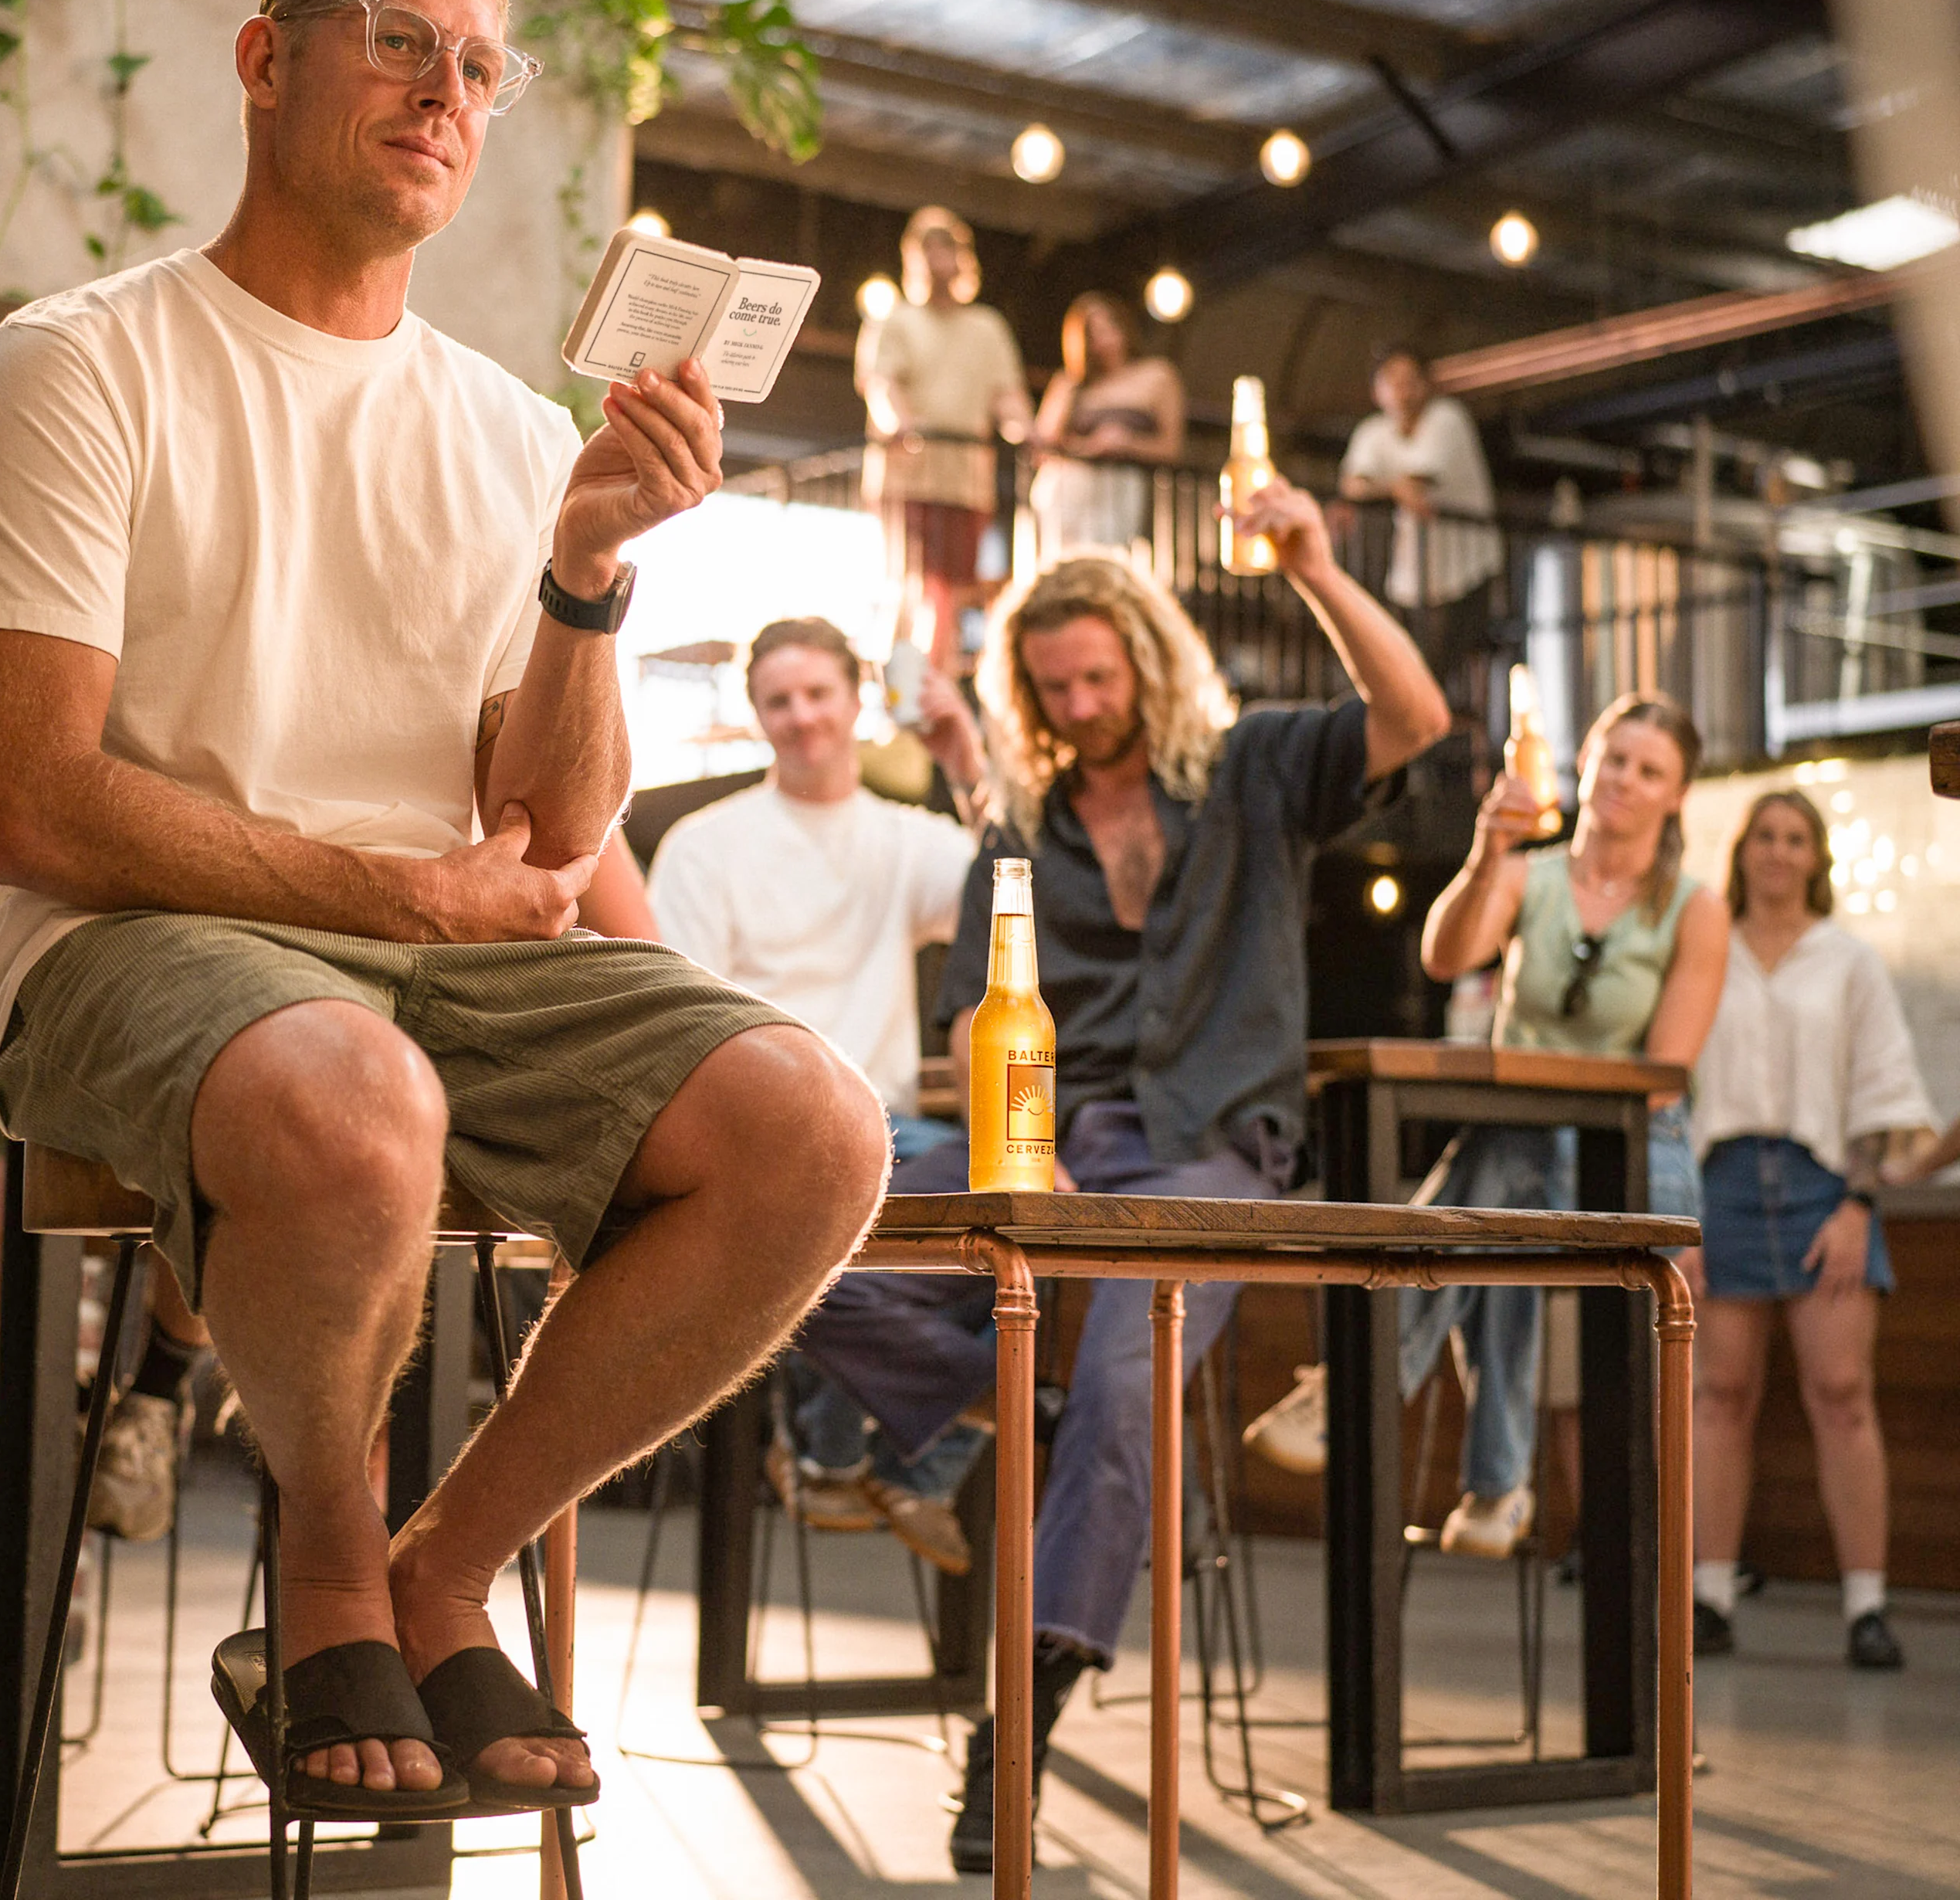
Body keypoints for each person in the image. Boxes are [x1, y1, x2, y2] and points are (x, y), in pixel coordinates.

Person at [0, 0, 883, 1820]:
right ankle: (333, 1566)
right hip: (128, 931)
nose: (446, 95)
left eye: (478, 68)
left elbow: (548, 824)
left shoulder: (512, 429)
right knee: (360, 1098)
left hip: (433, 951)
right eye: (397, 44)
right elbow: (28, 803)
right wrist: (399, 897)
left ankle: (450, 1562)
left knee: (813, 1128)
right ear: (267, 62)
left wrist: (589, 569)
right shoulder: (77, 363)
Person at [933, 522, 1450, 1872]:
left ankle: (1016, 1725)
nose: (1080, 709)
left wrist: (1313, 567)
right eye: (1053, 689)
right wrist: (1019, 1144)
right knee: (825, 1223)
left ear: (1150, 662)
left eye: (1099, 679)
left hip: (1208, 1146)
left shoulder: (1257, 770)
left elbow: (1416, 713)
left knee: (1118, 1390)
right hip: (1054, 1136)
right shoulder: (1022, 824)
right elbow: (961, 1022)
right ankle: (955, 1433)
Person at [647, 616, 986, 1571]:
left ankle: (854, 1453)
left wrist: (966, 757)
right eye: (779, 701)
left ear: (855, 698)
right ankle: (963, 1416)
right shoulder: (707, 847)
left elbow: (1017, 891)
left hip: (898, 1133)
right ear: (757, 715)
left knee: (1014, 1196)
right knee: (825, 1219)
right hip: (764, 1130)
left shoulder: (903, 840)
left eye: (817, 695)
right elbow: (681, 1023)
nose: (801, 718)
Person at [1397, 694, 1724, 1558]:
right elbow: (1443, 956)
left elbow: (1663, 1077)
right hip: (1517, 1146)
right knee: (1507, 1189)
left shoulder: (1694, 908)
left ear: (1677, 794)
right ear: (1584, 761)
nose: (1626, 780)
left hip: (1635, 1153)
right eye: (1615, 759)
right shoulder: (1527, 874)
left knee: (1499, 1184)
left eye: (1650, 770)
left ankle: (1378, 1387)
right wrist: (1485, 851)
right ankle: (1497, 1487)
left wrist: (1542, 1114)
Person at [0, 797, 214, 1545]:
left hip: (151, 1048)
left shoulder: (151, 777)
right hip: (7, 1071)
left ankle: (158, 1396)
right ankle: (95, 1413)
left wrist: (10, 856)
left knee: (209, 1125)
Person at [1690, 791, 1935, 1669]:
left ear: (1816, 856)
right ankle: (1709, 1595)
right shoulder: (1705, 951)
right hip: (1717, 1187)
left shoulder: (1850, 962)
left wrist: (1857, 1203)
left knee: (1842, 1395)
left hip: (1821, 1189)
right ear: (1744, 851)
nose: (1779, 853)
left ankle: (1867, 1607)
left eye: (1797, 839)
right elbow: (1671, 1093)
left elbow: (1882, 1091)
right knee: (1720, 1396)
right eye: (1765, 836)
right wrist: (1683, 1215)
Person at [856, 205, 1029, 667]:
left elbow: (1008, 398)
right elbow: (881, 385)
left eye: (946, 248)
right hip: (909, 479)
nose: (938, 259)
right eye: (927, 249)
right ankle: (901, 700)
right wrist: (901, 425)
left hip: (965, 480)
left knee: (950, 592)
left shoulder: (987, 328)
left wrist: (1031, 437)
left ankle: (937, 694)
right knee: (910, 586)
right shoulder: (895, 320)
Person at [1337, 348, 1503, 704]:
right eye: (1392, 381)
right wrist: (1396, 489)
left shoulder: (1447, 419)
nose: (1403, 390)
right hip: (1414, 570)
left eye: (1411, 380)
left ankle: (1431, 734)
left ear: (1426, 386)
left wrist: (1390, 487)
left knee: (1436, 670)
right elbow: (1353, 484)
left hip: (1468, 566)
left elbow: (1417, 481)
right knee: (1404, 665)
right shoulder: (1374, 431)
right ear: (1376, 392)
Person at [1026, 290, 1184, 559]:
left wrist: (1127, 443)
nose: (1103, 339)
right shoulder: (1070, 385)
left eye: (1109, 325)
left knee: (1108, 561)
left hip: (1121, 488)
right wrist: (1088, 444)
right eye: (1092, 333)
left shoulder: (1157, 375)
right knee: (1063, 562)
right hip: (1068, 487)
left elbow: (1172, 447)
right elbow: (1042, 445)